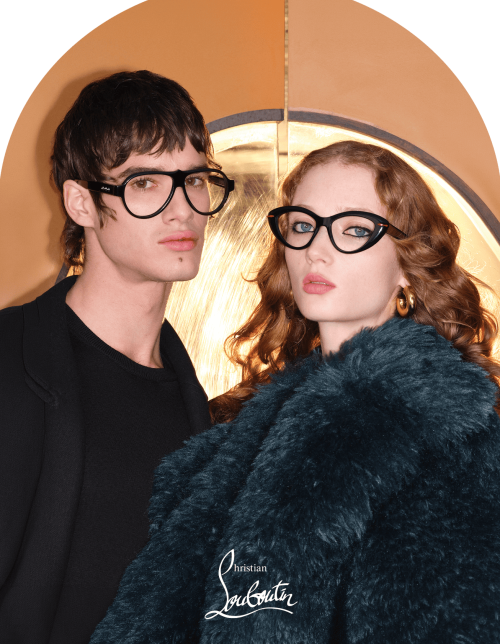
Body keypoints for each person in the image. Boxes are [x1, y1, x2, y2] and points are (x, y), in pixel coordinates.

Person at [90, 140, 500, 643]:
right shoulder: (250, 425)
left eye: (354, 229)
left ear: (407, 263)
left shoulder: (451, 438)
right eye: (303, 226)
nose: (316, 250)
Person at [0, 70, 234, 644]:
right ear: (81, 202)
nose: (184, 209)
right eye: (146, 183)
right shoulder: (10, 359)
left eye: (194, 180)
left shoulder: (196, 404)